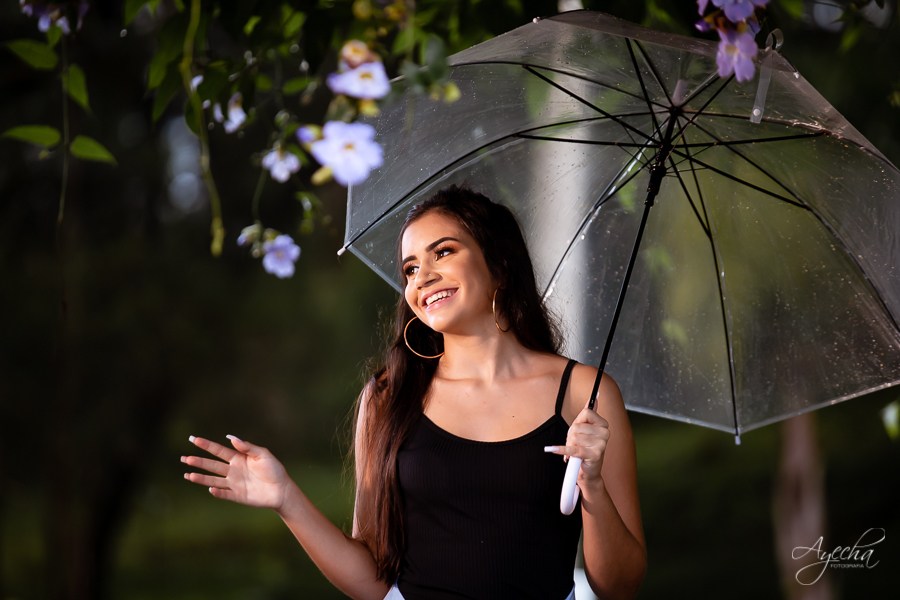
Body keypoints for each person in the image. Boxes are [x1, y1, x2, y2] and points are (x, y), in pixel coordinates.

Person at [182, 184, 646, 600]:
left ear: (499, 265)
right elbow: (373, 579)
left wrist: (594, 486)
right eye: (409, 268)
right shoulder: (388, 396)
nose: (422, 277)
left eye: (442, 252)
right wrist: (287, 499)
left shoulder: (585, 394)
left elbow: (619, 587)